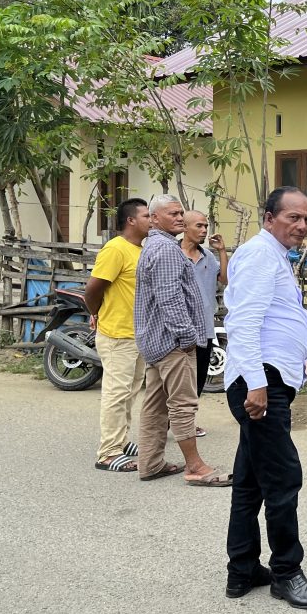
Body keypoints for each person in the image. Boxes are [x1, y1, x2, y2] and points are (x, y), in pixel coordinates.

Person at [224, 186, 307, 610]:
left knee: (250, 483)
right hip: (261, 384)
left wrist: (300, 341)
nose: (302, 226)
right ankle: (287, 572)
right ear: (269, 217)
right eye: (293, 217)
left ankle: (243, 569)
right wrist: (256, 384)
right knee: (284, 479)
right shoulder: (258, 253)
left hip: (268, 376)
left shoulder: (274, 255)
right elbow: (244, 322)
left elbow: (271, 315)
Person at [134, 194, 229, 486]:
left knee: (155, 404)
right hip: (172, 341)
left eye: (180, 213)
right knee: (183, 404)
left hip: (156, 340)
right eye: (172, 214)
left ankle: (150, 463)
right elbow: (170, 299)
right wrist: (187, 336)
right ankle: (195, 467)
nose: (178, 217)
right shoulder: (165, 250)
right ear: (154, 219)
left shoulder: (156, 246)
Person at [86, 198, 150, 473]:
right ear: (131, 220)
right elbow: (93, 289)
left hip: (137, 334)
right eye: (147, 215)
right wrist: (96, 312)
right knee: (116, 393)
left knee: (130, 391)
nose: (152, 220)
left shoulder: (140, 249)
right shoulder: (115, 249)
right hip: (117, 335)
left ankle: (121, 441)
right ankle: (108, 452)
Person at [181, 209, 229, 435]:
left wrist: (221, 252)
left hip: (205, 329)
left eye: (205, 226)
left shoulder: (208, 257)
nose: (203, 230)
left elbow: (225, 280)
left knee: (198, 379)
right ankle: (168, 421)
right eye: (198, 226)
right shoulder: (173, 255)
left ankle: (187, 421)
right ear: (184, 227)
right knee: (175, 380)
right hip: (178, 329)